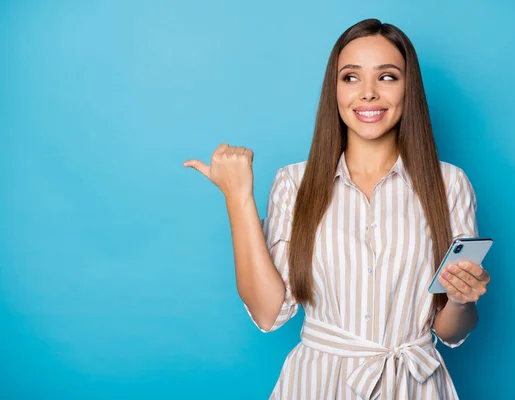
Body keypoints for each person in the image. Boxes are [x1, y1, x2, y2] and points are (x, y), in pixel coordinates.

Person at [183, 18, 491, 400]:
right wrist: (238, 197)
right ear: (334, 89)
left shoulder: (450, 184)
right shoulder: (294, 183)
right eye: (351, 77)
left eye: (388, 77)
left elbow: (452, 331)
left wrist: (462, 299)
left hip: (416, 385)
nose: (368, 93)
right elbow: (268, 314)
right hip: (317, 385)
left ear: (409, 89)